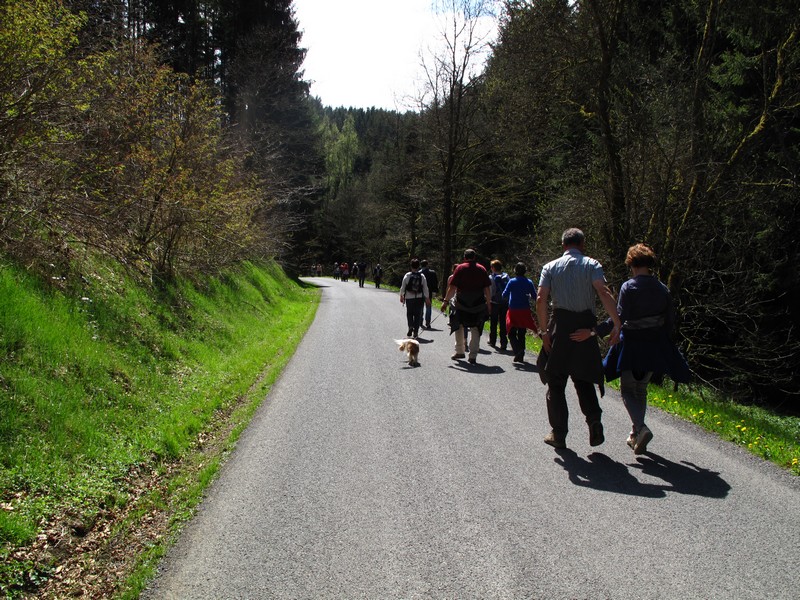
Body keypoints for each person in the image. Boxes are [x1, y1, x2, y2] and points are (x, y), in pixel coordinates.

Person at [571, 244, 690, 454]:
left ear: (631, 263)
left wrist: (594, 331)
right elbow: (669, 320)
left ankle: (641, 428)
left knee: (627, 389)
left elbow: (618, 317)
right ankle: (636, 433)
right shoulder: (662, 288)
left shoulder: (629, 287)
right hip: (655, 344)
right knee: (641, 388)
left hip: (633, 344)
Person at [536, 228, 621, 449]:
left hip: (560, 328)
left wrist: (544, 332)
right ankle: (594, 421)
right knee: (583, 380)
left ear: (563, 245)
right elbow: (603, 292)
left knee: (556, 382)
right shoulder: (592, 264)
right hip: (585, 328)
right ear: (582, 244)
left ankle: (559, 434)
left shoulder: (550, 267)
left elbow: (541, 298)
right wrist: (616, 323)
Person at [441, 249, 491, 365]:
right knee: (476, 329)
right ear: (474, 257)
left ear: (464, 257)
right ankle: (473, 355)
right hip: (478, 304)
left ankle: (460, 351)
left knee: (458, 326)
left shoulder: (460, 268)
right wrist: (489, 304)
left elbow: (452, 287)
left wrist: (446, 301)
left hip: (461, 304)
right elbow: (487, 289)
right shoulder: (482, 269)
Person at [503, 262, 539, 363]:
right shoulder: (529, 282)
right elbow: (535, 296)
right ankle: (521, 354)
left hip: (513, 310)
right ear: (525, 271)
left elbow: (504, 294)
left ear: (515, 271)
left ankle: (518, 350)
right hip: (525, 310)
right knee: (522, 333)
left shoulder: (512, 281)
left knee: (511, 332)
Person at [400, 258, 430, 339]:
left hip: (409, 298)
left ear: (411, 266)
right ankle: (416, 331)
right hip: (419, 298)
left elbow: (403, 287)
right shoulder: (422, 276)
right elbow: (425, 288)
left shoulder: (407, 275)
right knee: (418, 315)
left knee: (409, 314)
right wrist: (427, 298)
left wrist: (401, 295)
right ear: (418, 266)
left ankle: (410, 326)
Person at [488, 260, 510, 350]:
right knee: (503, 323)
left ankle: (492, 341)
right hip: (505, 302)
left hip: (495, 302)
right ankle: (503, 342)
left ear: (493, 268)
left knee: (493, 322)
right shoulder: (506, 276)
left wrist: (489, 301)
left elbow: (491, 291)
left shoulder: (491, 277)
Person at [419, 260, 439, 329]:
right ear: (427, 265)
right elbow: (435, 283)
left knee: (420, 307)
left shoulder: (419, 273)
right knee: (428, 307)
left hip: (420, 292)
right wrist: (435, 291)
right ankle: (428, 322)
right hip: (429, 292)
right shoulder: (432, 273)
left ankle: (420, 321)